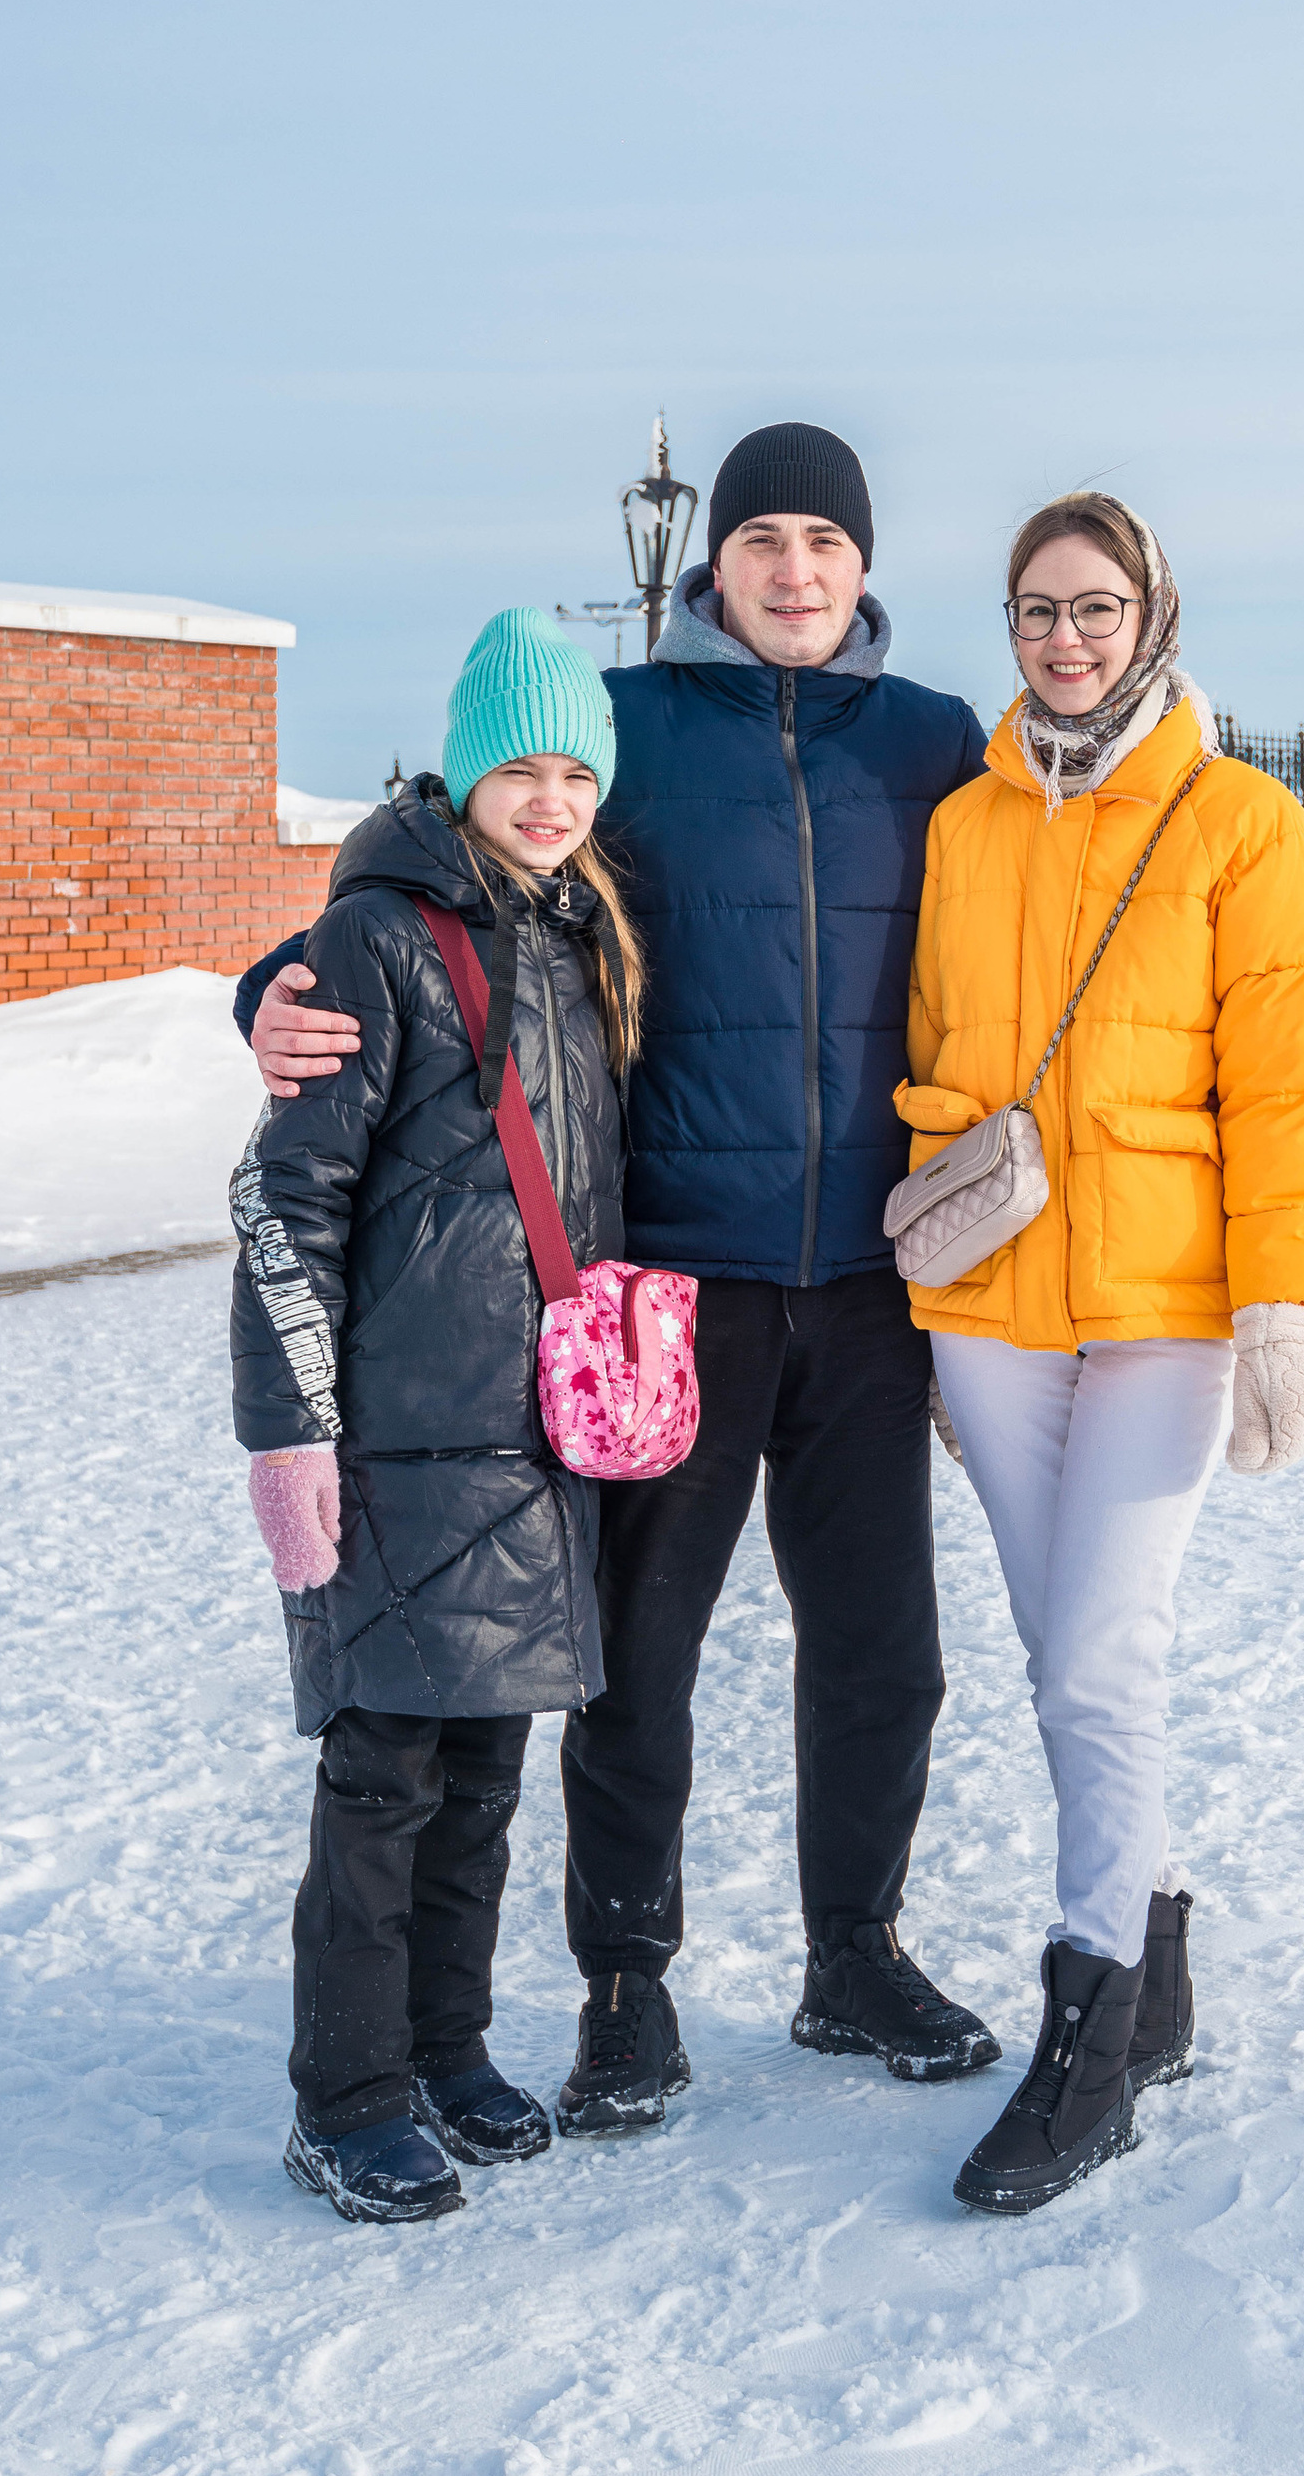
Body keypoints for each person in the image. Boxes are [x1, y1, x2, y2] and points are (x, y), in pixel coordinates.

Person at [240, 422, 1002, 2143]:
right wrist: (271, 995)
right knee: (639, 1654)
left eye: (824, 539)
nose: (795, 569)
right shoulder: (629, 730)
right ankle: (626, 1986)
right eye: (764, 541)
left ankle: (854, 1949)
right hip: (669, 1293)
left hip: (875, 1289)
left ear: (864, 564)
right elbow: (447, 871)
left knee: (885, 1650)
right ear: (711, 565)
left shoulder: (938, 744)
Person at [897, 491, 1304, 2214]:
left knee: (1101, 1657)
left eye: (1094, 609)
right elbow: (935, 1041)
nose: (1064, 641)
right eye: (1035, 613)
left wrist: (1280, 1305)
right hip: (995, 1310)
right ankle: (1157, 1959)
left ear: (1154, 615)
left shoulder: (1241, 823)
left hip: (1168, 1310)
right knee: (1060, 1656)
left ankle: (1089, 2020)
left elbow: (1294, 1085)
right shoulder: (964, 825)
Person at [232, 610, 640, 2225]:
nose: (547, 798)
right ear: (467, 772)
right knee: (383, 1780)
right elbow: (288, 1194)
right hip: (401, 1442)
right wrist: (292, 1430)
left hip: (534, 1442)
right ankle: (346, 2094)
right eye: (519, 769)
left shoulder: (572, 930)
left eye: (572, 772)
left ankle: (448, 2051)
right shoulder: (384, 941)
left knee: (485, 1775)